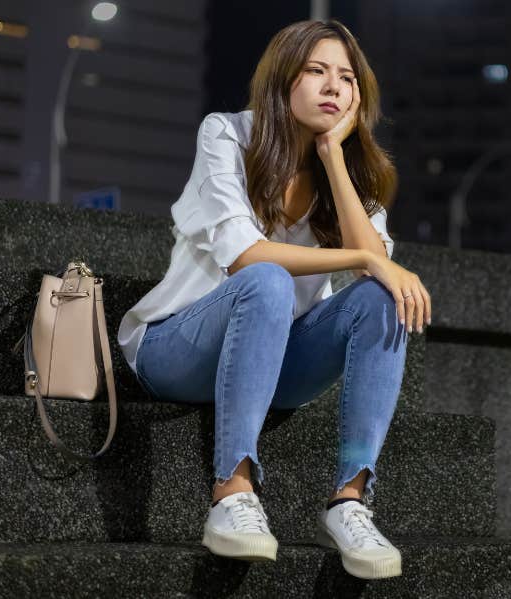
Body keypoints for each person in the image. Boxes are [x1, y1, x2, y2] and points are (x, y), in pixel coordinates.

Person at [116, 20, 431, 580]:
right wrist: (364, 260)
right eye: (316, 72)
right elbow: (243, 255)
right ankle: (232, 493)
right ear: (284, 78)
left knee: (381, 299)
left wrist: (334, 157)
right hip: (177, 349)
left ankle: (350, 501)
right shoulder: (228, 134)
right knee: (267, 280)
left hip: (280, 362)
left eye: (347, 78)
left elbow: (375, 263)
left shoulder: (353, 175)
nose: (334, 87)